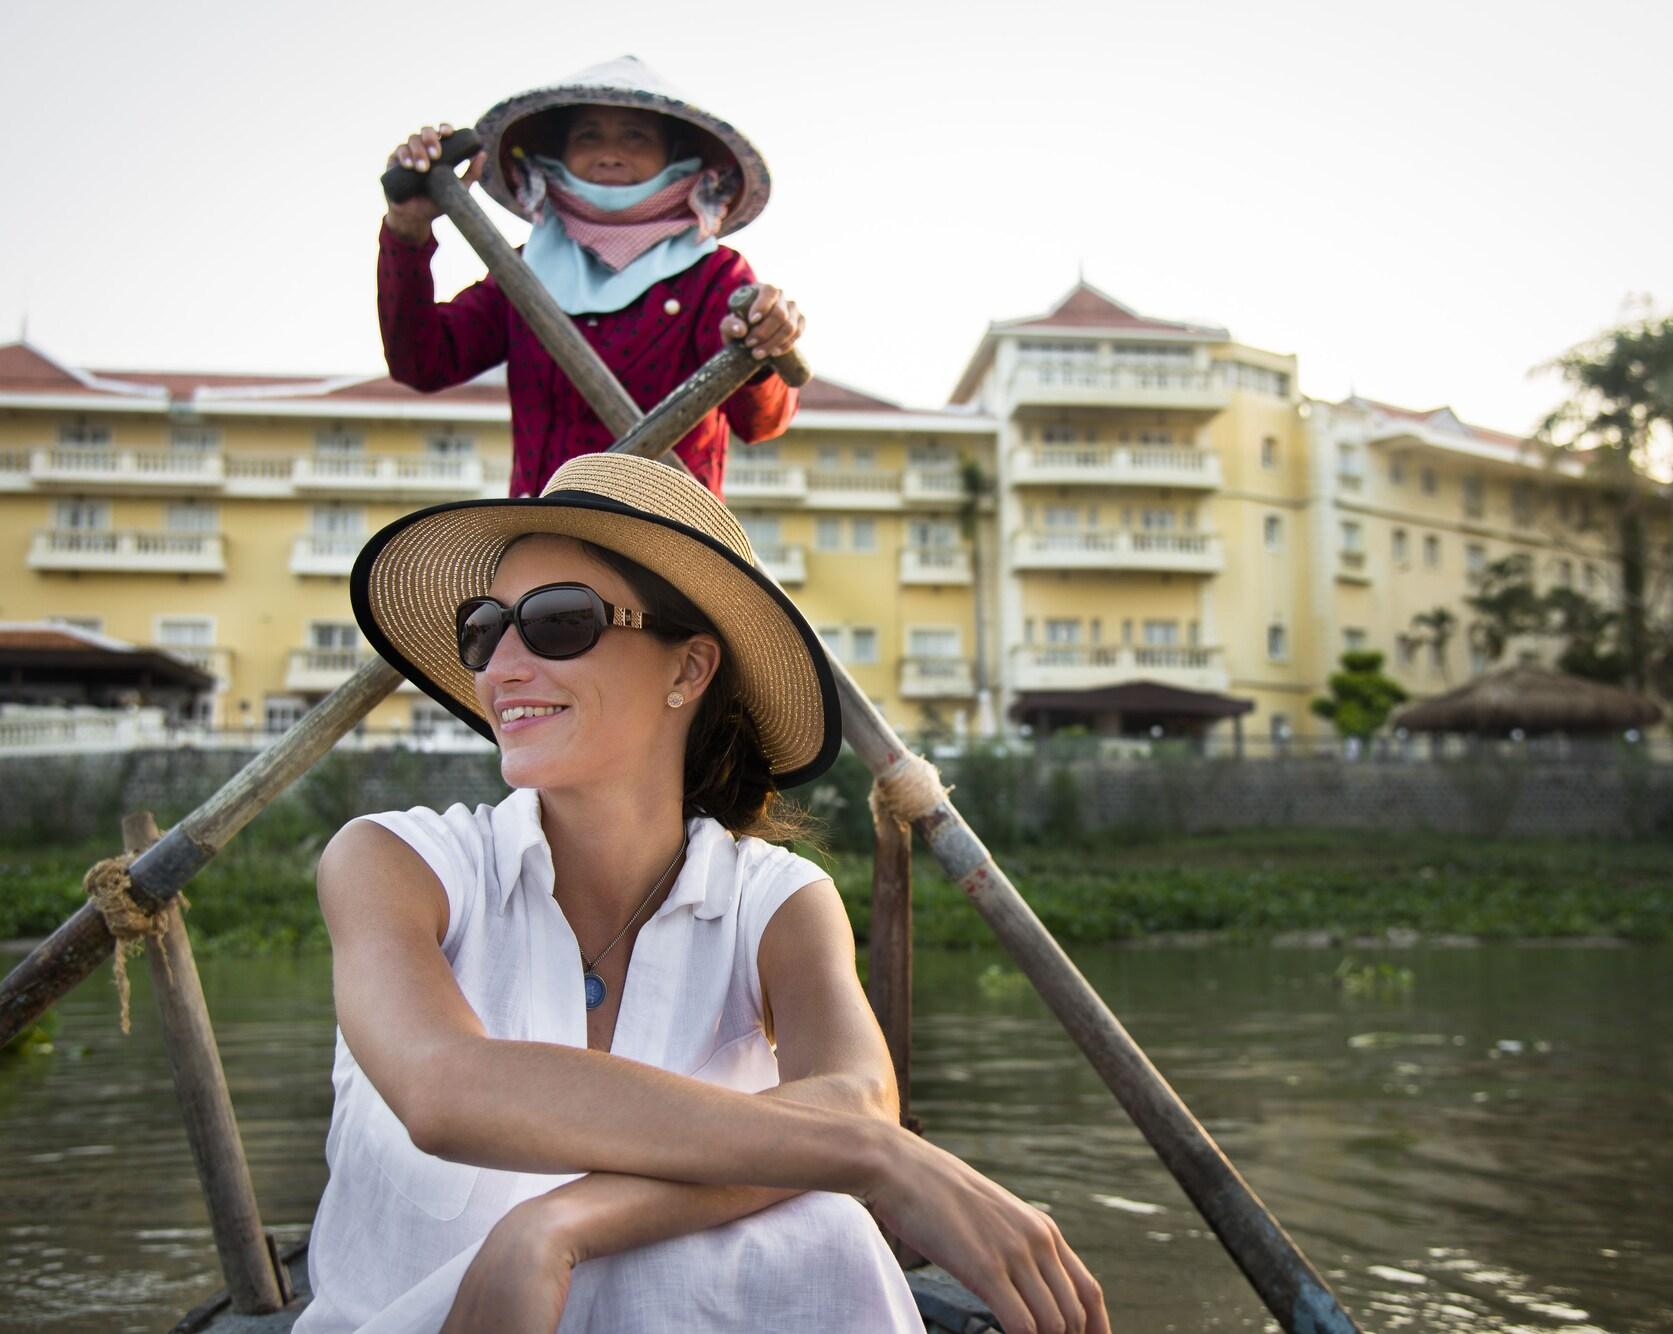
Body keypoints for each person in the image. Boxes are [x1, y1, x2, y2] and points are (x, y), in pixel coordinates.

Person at [298, 453, 1108, 1332]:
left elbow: (855, 1098)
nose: (502, 667)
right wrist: (874, 1156)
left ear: (688, 670)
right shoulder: (393, 862)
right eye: (486, 629)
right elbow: (444, 1089)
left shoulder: (776, 900)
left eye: (559, 622)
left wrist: (559, 1224)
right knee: (828, 1201)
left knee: (826, 1228)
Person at [378, 56, 803, 499]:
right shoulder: (521, 271)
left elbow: (761, 422)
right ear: (557, 155)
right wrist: (406, 234)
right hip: (545, 535)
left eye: (635, 136)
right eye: (588, 135)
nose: (610, 153)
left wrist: (762, 342)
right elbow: (421, 361)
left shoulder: (713, 276)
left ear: (675, 156)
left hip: (666, 539)